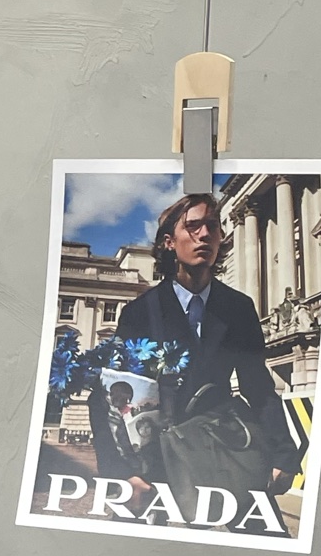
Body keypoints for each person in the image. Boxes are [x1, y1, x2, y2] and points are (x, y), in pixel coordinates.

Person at [115, 191, 298, 501]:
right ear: (169, 242)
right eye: (193, 226)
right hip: (157, 460)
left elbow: (258, 386)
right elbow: (115, 396)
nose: (204, 234)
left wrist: (284, 454)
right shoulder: (139, 312)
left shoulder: (238, 307)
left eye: (212, 226)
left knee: (259, 529)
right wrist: (124, 471)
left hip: (223, 447)